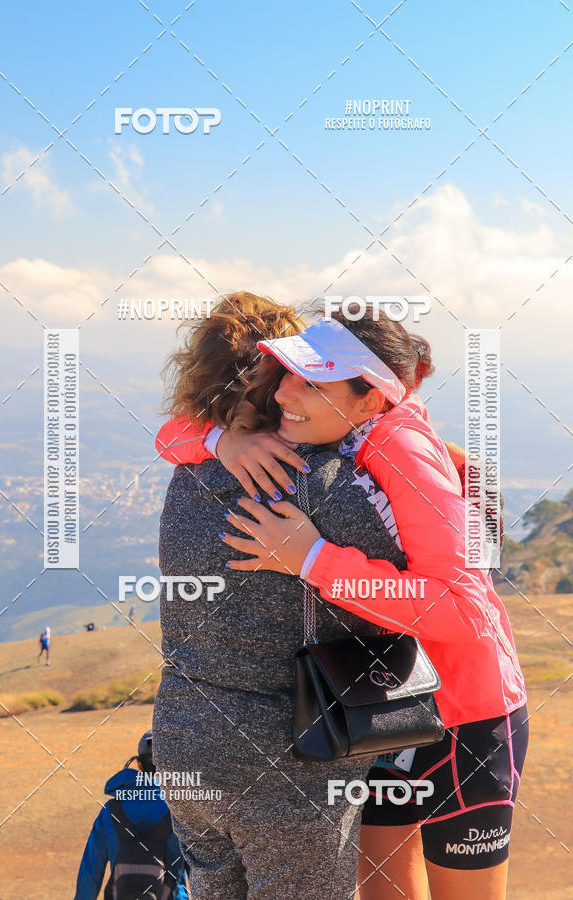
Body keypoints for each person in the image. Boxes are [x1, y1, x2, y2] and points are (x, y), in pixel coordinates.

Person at [162, 306, 528, 900]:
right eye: (284, 373)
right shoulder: (330, 435)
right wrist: (221, 438)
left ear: (370, 399)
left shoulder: (404, 450)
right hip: (376, 710)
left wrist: (312, 560)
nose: (283, 392)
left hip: (465, 715)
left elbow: (465, 613)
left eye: (310, 382)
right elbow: (170, 432)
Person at [152, 291, 409, 899]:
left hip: (187, 738)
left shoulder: (186, 473)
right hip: (292, 750)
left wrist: (216, 439)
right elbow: (433, 577)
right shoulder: (330, 486)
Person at [74, 729, 188, 900]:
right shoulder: (183, 811)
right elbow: (200, 870)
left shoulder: (111, 811)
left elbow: (90, 872)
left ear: (139, 765)